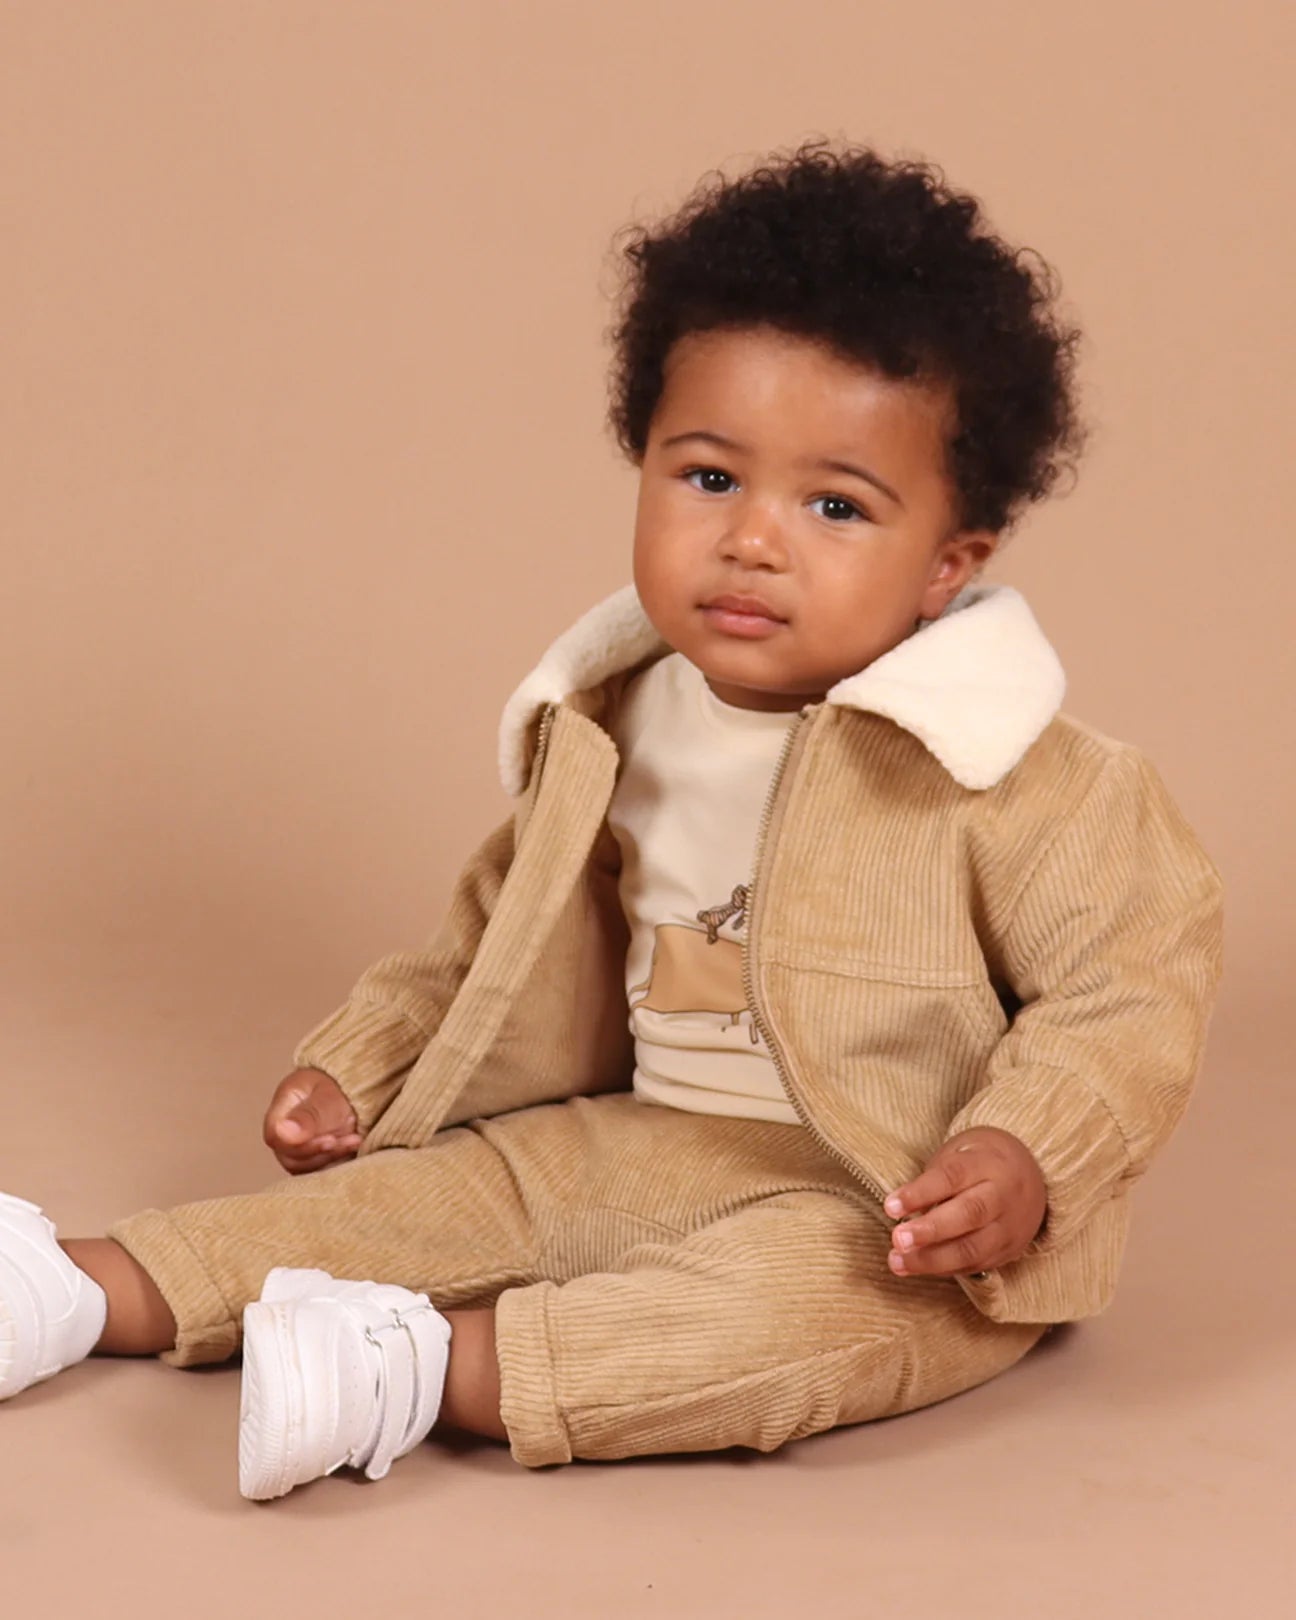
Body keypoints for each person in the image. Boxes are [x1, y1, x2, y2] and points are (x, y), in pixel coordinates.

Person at [0, 140, 1224, 1500]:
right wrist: (365, 1069)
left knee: (803, 1328)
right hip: (629, 1134)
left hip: (879, 1202)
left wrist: (1024, 1154)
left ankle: (416, 1368)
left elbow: (1128, 988)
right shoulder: (612, 723)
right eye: (709, 477)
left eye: (834, 505)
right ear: (642, 463)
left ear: (948, 564)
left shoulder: (1021, 775)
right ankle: (74, 1287)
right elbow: (493, 942)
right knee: (422, 1201)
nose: (753, 540)